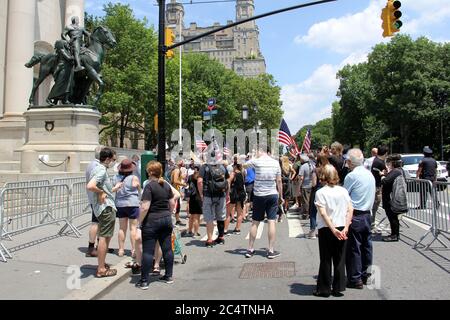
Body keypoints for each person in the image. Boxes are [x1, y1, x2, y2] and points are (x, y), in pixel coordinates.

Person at [136, 161, 177, 290]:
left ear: (150, 172)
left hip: (152, 221)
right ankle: (168, 276)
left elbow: (145, 207)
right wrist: (168, 214)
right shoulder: (166, 185)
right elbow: (172, 203)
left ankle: (144, 281)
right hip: (166, 219)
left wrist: (139, 223)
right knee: (167, 248)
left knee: (148, 251)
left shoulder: (149, 186)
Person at [313, 164, 353, 298]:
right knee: (339, 258)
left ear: (322, 176)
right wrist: (346, 227)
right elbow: (350, 209)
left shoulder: (320, 192)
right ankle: (338, 287)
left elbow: (323, 213)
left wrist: (332, 228)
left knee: (325, 259)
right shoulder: (343, 191)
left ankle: (324, 289)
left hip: (326, 228)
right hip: (342, 226)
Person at [86, 148, 122, 278]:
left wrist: (113, 189)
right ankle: (101, 269)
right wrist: (101, 192)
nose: (114, 162)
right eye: (113, 160)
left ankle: (101, 264)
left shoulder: (97, 168)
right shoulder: (101, 169)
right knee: (104, 238)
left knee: (104, 237)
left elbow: (102, 188)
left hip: (102, 207)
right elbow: (91, 186)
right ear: (107, 159)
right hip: (105, 208)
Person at [343, 148, 376, 289]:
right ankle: (364, 274)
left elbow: (344, 196)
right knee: (366, 246)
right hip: (367, 214)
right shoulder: (369, 175)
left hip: (355, 214)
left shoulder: (351, 176)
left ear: (350, 162)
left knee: (354, 248)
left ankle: (355, 278)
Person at [243, 147, 283, 259]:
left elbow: (244, 165)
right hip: (272, 194)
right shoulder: (275, 163)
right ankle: (270, 250)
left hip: (259, 195)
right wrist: (281, 196)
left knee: (255, 222)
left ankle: (250, 249)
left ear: (261, 151)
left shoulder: (256, 161)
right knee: (271, 221)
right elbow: (279, 181)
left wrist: (253, 157)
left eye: (257, 151)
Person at [197, 155, 230, 247]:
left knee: (209, 218)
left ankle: (210, 239)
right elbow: (228, 181)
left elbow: (199, 181)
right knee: (221, 216)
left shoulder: (205, 167)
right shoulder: (222, 167)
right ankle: (221, 237)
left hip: (208, 195)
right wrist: (227, 193)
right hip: (221, 194)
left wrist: (201, 194)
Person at [113, 159, 141, 257]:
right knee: (133, 228)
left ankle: (121, 250)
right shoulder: (134, 178)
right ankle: (133, 250)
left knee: (121, 228)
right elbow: (139, 189)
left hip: (120, 204)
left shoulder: (116, 177)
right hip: (132, 204)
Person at [381, 154, 406, 242]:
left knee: (392, 217)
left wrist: (382, 175)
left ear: (393, 163)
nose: (388, 164)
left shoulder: (396, 171)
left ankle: (395, 235)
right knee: (392, 217)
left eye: (389, 162)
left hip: (391, 198)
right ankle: (394, 234)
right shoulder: (399, 170)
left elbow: (385, 181)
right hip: (392, 198)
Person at [85, 145, 103, 257]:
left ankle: (99, 245)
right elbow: (94, 184)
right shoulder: (96, 166)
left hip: (94, 198)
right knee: (95, 222)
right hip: (96, 198)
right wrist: (102, 192)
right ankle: (91, 247)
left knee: (98, 223)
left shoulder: (91, 164)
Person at [307, 155, 330, 239]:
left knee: (313, 211)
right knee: (326, 211)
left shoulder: (315, 170)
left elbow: (313, 183)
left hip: (317, 190)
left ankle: (312, 231)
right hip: (327, 190)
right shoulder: (329, 170)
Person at [46, 40, 74, 105]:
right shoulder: (62, 50)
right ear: (63, 45)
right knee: (59, 84)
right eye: (66, 44)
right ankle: (49, 98)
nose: (68, 45)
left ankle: (59, 100)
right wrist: (73, 56)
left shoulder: (67, 51)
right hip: (63, 69)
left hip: (67, 70)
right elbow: (69, 58)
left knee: (65, 86)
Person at [370, 145, 388, 229]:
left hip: (376, 185)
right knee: (374, 205)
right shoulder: (379, 162)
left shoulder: (377, 160)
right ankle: (371, 223)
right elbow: (386, 172)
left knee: (375, 205)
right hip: (376, 186)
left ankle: (372, 222)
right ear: (385, 153)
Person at [227, 163, 246, 234]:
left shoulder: (233, 173)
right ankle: (237, 228)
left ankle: (225, 229)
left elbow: (228, 181)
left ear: (235, 166)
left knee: (228, 212)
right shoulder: (242, 173)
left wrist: (228, 191)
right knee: (239, 212)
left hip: (234, 194)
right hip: (241, 193)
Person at [183, 166, 202, 237]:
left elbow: (186, 185)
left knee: (191, 216)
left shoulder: (190, 177)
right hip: (198, 197)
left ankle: (190, 231)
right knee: (197, 216)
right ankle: (196, 232)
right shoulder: (200, 178)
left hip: (192, 197)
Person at [170, 160, 186, 226]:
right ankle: (174, 221)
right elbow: (175, 181)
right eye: (182, 161)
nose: (184, 162)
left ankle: (177, 220)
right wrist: (183, 184)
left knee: (178, 206)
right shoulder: (177, 170)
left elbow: (181, 177)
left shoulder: (177, 170)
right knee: (175, 206)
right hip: (175, 190)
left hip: (176, 190)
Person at [298, 154, 314, 219]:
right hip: (312, 185)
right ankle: (310, 212)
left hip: (305, 185)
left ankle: (306, 214)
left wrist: (299, 186)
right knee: (311, 200)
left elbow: (301, 178)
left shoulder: (303, 166)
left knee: (305, 201)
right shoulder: (313, 165)